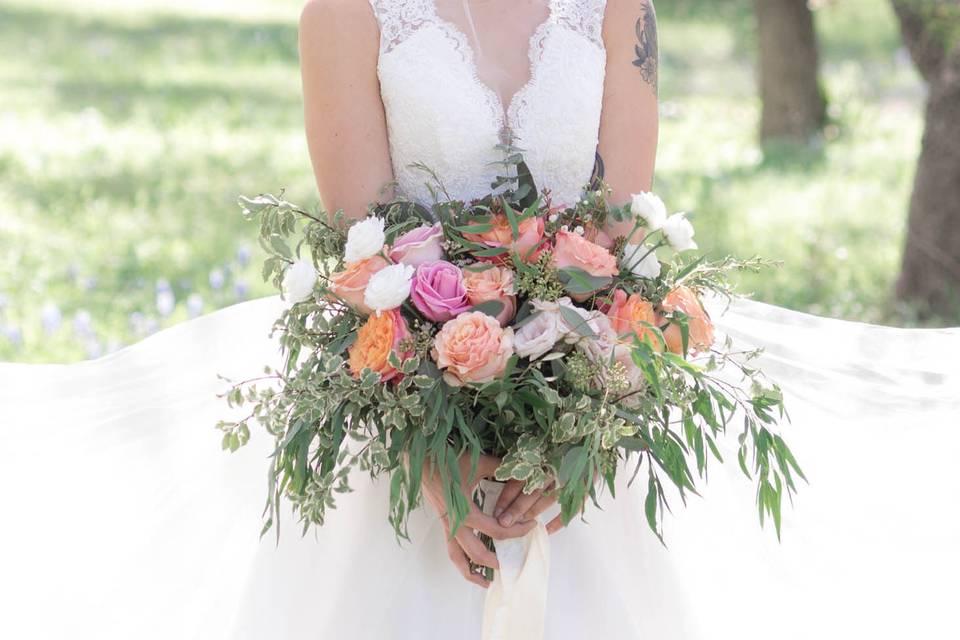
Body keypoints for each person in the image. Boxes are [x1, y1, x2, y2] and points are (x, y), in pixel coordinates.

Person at [1, 1, 958, 639]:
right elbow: (364, 255)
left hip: (581, 413)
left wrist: (579, 429)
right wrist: (434, 452)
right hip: (401, 410)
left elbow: (620, 237)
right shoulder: (349, 11)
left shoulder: (618, 7)